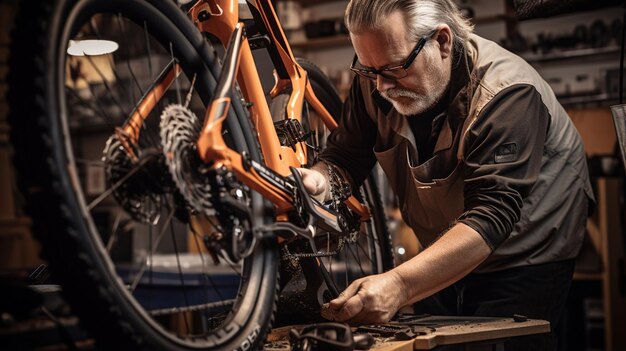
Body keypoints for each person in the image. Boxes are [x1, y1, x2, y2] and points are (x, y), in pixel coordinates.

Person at [298, 0, 595, 349]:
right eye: (368, 69)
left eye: (394, 67)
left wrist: (399, 285)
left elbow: (493, 215)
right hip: (444, 240)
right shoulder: (378, 74)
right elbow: (346, 156)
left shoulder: (506, 94)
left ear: (441, 41)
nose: (381, 86)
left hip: (526, 251)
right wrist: (319, 180)